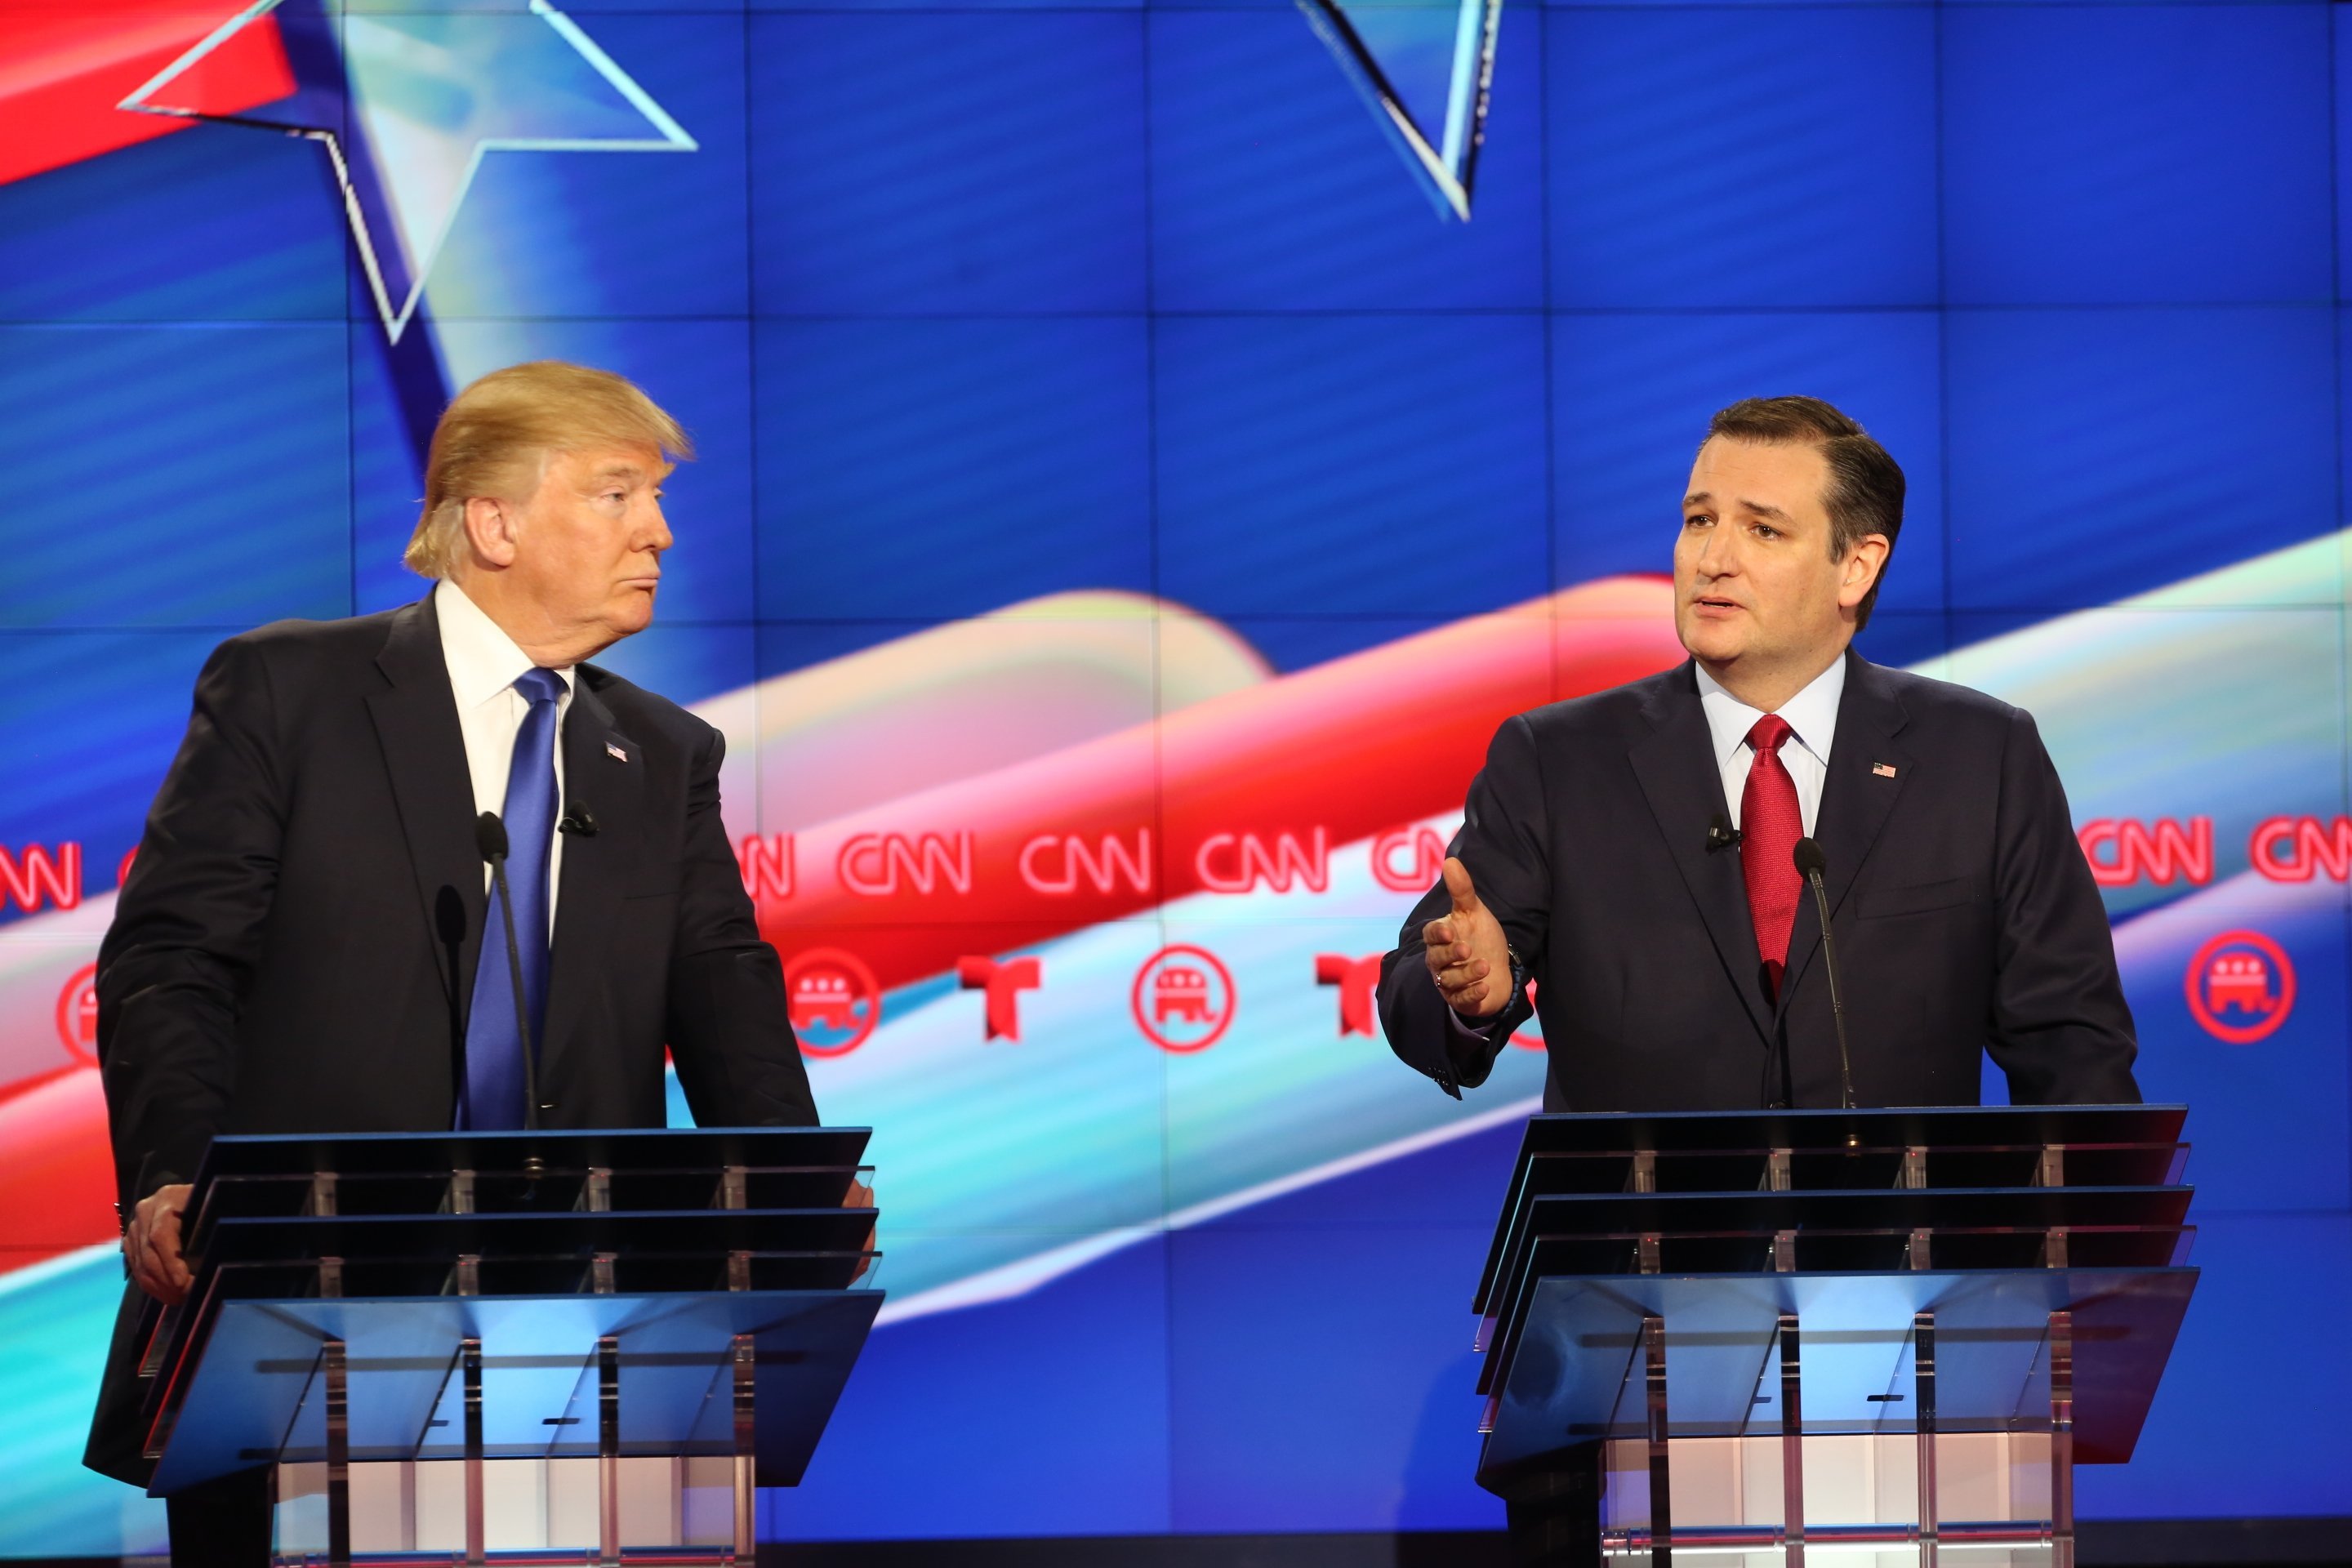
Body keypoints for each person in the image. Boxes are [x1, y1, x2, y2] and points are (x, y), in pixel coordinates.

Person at [84, 362, 853, 1563]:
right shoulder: (293, 691)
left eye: (653, 500)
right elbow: (172, 958)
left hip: (579, 1313)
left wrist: (794, 1196)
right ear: (493, 522)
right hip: (302, 1294)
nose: (656, 530)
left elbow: (724, 990)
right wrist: (176, 1177)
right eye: (615, 495)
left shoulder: (660, 751)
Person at [1381, 394, 2140, 1113]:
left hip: (1894, 1243)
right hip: (1642, 1240)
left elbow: (2076, 1054)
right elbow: (1415, 995)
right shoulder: (1558, 761)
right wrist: (1471, 991)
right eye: (1699, 519)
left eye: (1763, 530)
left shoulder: (1980, 757)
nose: (1712, 558)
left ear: (1857, 567)